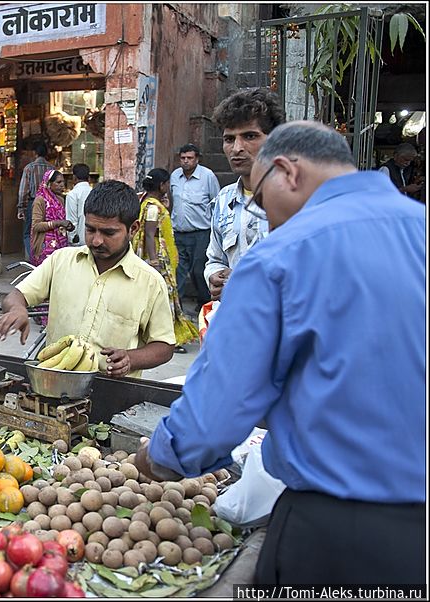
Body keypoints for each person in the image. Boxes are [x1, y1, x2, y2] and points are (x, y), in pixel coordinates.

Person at [135, 122, 426, 585]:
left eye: (259, 201)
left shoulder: (280, 257)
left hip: (336, 533)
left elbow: (218, 411)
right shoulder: (420, 227)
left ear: (287, 172)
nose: (266, 218)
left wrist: (157, 457)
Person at [0, 180, 176, 379]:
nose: (96, 241)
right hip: (53, 381)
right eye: (90, 230)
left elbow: (164, 346)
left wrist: (131, 358)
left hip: (114, 389)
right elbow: (16, 296)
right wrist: (18, 308)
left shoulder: (150, 282)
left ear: (133, 229)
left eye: (108, 233)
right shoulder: (61, 260)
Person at [204, 88, 285, 301]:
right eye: (229, 139)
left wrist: (244, 282)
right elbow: (215, 258)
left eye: (250, 136)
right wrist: (214, 276)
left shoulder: (295, 200)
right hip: (237, 321)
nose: (237, 148)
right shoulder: (224, 200)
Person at [132, 168, 199, 353]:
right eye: (167, 183)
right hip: (157, 258)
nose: (168, 187)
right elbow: (150, 235)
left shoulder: (146, 201)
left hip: (154, 256)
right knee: (166, 297)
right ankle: (170, 339)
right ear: (162, 185)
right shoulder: (153, 207)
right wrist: (154, 260)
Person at [169, 144, 220, 311]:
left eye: (189, 158)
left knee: (199, 270)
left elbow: (216, 203)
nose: (186, 161)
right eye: (183, 158)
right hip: (178, 232)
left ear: (197, 159)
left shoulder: (207, 176)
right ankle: (177, 306)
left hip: (201, 233)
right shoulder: (175, 176)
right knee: (178, 270)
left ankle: (204, 302)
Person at [17, 143, 55, 260]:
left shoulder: (29, 168)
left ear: (35, 153)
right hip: (49, 203)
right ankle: (45, 257)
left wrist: (21, 207)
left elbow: (23, 190)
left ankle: (34, 258)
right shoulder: (52, 169)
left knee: (29, 232)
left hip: (33, 203)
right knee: (46, 231)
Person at [30, 169, 73, 265]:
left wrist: (67, 225)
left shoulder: (60, 199)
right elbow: (36, 226)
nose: (62, 185)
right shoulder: (40, 200)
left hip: (61, 244)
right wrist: (58, 223)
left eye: (63, 182)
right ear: (48, 183)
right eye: (58, 182)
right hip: (45, 246)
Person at [65, 163, 92, 246]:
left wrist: (72, 239)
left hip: (78, 241)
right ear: (89, 178)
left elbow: (72, 220)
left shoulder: (72, 194)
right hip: (93, 239)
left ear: (74, 178)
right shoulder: (95, 192)